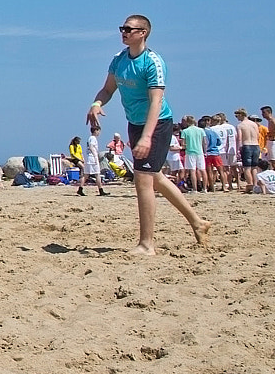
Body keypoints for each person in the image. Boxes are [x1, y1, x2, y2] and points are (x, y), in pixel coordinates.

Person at [85, 15, 210, 255]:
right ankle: (198, 222)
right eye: (122, 28)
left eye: (129, 29)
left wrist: (146, 137)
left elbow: (156, 101)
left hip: (158, 123)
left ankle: (147, 244)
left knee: (143, 179)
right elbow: (108, 88)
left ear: (143, 33)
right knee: (155, 177)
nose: (124, 32)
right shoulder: (118, 60)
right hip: (135, 122)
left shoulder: (153, 62)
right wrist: (96, 103)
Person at [235, 109, 262, 192]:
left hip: (247, 145)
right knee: (254, 167)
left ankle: (250, 185)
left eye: (237, 116)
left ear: (241, 115)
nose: (236, 118)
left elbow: (239, 138)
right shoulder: (254, 124)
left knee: (246, 168)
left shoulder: (240, 125)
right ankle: (255, 185)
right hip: (256, 145)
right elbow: (257, 135)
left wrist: (238, 148)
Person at [179, 117, 205, 194]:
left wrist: (181, 146)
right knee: (202, 170)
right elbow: (204, 142)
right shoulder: (200, 130)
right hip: (200, 151)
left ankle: (195, 189)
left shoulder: (185, 131)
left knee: (192, 170)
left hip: (190, 152)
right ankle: (205, 188)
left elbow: (183, 144)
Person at [79, 129, 108, 196]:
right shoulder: (93, 138)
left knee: (86, 174)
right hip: (92, 158)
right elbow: (91, 146)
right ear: (95, 131)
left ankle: (80, 189)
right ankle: (101, 190)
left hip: (89, 157)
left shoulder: (90, 138)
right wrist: (95, 156)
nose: (99, 133)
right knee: (97, 174)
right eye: (98, 131)